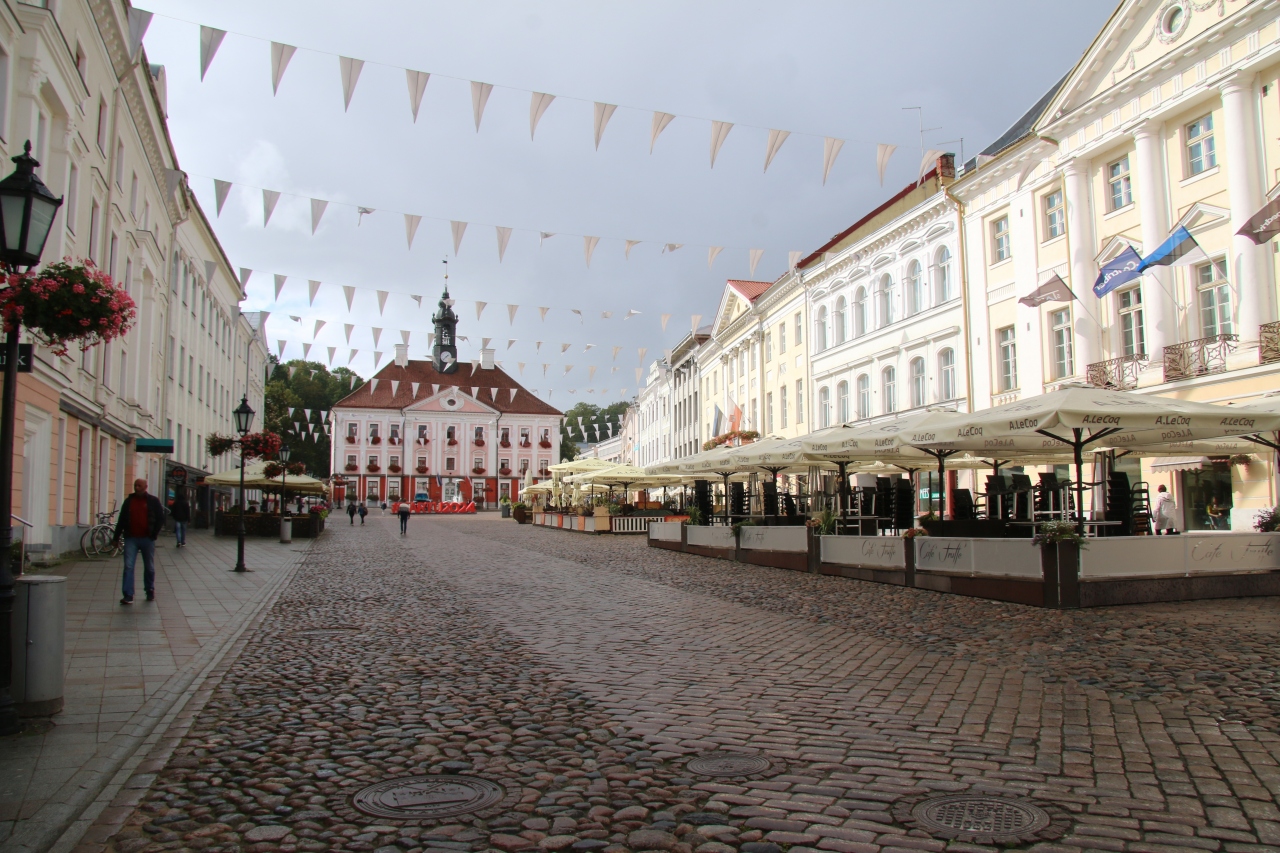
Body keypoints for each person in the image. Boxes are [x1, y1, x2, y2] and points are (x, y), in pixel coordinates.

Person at [113, 479, 165, 604]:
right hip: (131, 538)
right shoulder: (129, 501)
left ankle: (149, 589)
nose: (137, 488)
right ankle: (128, 594)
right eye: (135, 485)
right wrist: (116, 537)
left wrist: (154, 534)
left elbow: (160, 518)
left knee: (149, 566)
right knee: (128, 566)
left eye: (139, 486)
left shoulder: (153, 501)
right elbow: (122, 520)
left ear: (145, 487)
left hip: (147, 538)